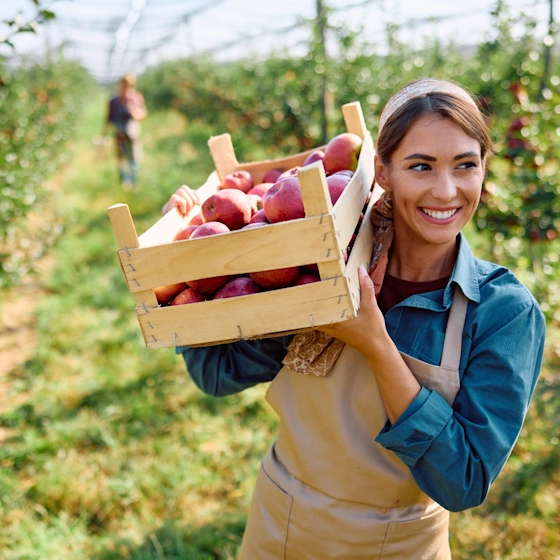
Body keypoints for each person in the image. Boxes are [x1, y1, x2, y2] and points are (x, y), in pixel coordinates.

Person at [161, 79, 546, 559]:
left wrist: (376, 345)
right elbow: (217, 375)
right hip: (280, 530)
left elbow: (464, 481)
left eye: (465, 165)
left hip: (398, 546)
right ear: (382, 171)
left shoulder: (502, 313)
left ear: (484, 168)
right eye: (420, 166)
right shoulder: (321, 262)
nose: (446, 190)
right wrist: (190, 261)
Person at [103, 73, 147, 190]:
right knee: (121, 159)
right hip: (119, 134)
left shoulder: (136, 98)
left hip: (133, 134)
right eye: (125, 85)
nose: (127, 88)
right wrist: (104, 134)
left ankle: (134, 182)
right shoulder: (114, 101)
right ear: (120, 85)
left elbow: (142, 114)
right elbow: (108, 118)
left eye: (130, 85)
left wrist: (135, 112)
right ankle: (124, 182)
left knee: (134, 158)